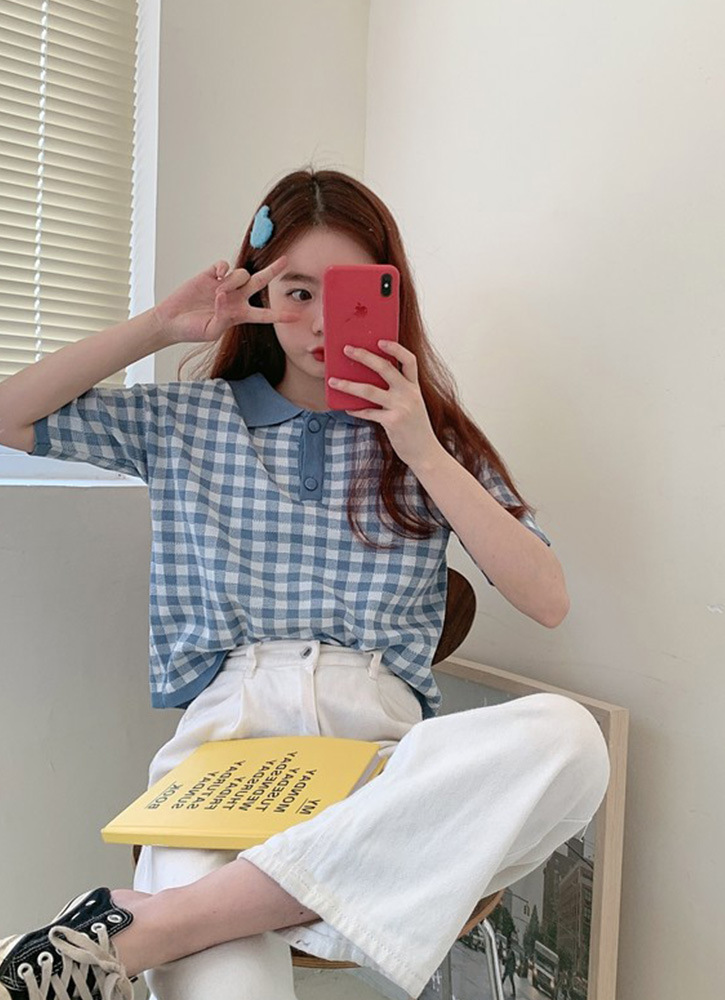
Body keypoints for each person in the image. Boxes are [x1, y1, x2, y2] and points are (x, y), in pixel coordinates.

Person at [0, 168, 610, 1000]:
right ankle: (274, 902)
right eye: (296, 292)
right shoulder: (189, 419)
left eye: (349, 292)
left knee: (571, 741)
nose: (322, 321)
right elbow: (9, 414)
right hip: (222, 761)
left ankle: (149, 926)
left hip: (379, 770)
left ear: (390, 295)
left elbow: (547, 599)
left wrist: (420, 447)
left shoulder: (429, 438)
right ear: (258, 296)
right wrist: (161, 326)